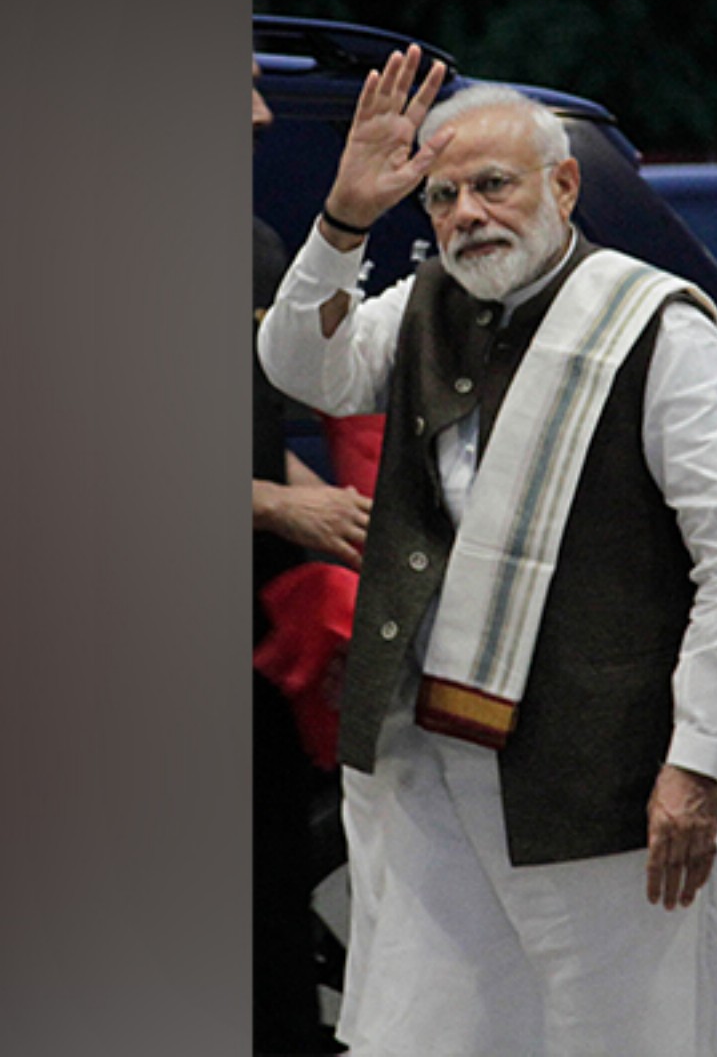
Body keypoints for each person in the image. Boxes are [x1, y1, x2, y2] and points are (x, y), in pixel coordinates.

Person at [258, 45, 717, 1057]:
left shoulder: (655, 327)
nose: (467, 215)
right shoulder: (425, 303)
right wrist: (345, 219)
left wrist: (694, 764)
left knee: (625, 1028)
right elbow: (300, 364)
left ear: (565, 186)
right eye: (443, 196)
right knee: (448, 1024)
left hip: (603, 771)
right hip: (432, 751)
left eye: (494, 185)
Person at [252, 64, 370, 1054]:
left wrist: (334, 513)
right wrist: (280, 506)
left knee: (268, 902)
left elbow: (250, 439)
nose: (261, 116)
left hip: (255, 644)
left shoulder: (252, 247)